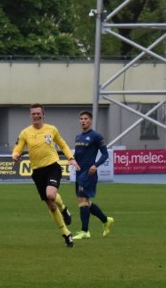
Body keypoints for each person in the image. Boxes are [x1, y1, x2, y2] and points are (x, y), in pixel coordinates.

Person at [12, 103, 77, 248]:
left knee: (51, 195)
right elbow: (17, 148)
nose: (36, 116)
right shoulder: (25, 133)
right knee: (51, 206)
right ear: (30, 115)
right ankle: (66, 233)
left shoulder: (51, 129)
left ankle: (64, 209)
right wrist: (15, 155)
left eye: (38, 113)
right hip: (37, 172)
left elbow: (63, 145)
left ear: (43, 114)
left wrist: (70, 158)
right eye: (33, 114)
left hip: (53, 167)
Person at [72, 110, 114, 239]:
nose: (83, 121)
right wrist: (72, 160)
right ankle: (106, 220)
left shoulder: (96, 136)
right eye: (81, 119)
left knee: (82, 200)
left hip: (88, 174)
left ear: (90, 121)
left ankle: (85, 231)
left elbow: (105, 154)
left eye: (85, 118)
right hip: (79, 173)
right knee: (86, 202)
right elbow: (78, 155)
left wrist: (95, 165)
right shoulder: (78, 137)